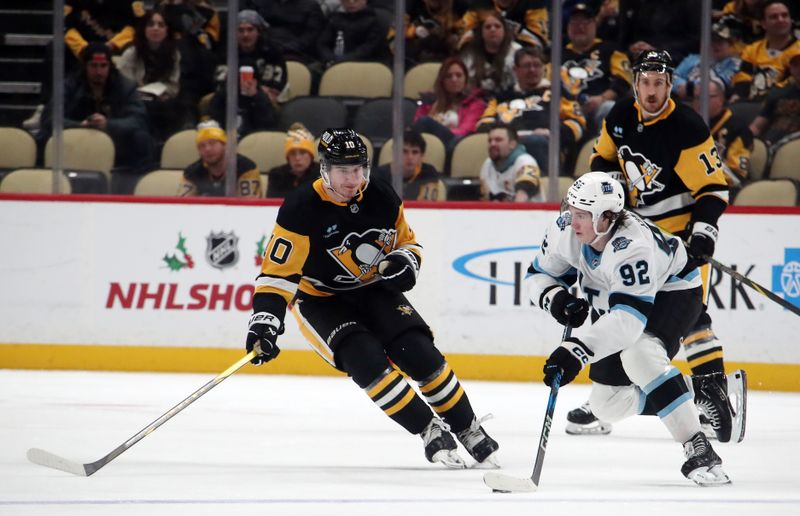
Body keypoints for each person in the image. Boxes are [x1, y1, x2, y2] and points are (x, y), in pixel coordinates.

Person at [245, 128, 499, 468]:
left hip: (374, 289)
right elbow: (277, 275)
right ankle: (427, 429)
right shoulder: (300, 209)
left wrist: (404, 264)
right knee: (364, 360)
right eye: (343, 171)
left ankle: (467, 427)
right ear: (325, 170)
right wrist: (265, 320)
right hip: (322, 300)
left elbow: (408, 244)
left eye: (358, 169)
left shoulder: (379, 193)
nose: (353, 180)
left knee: (420, 353)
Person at [526, 172, 743, 486]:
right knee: (606, 405)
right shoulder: (565, 229)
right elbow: (537, 275)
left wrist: (576, 350)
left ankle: (699, 447)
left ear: (607, 218)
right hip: (623, 303)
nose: (573, 223)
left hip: (674, 290)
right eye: (572, 211)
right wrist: (556, 298)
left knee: (639, 354)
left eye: (583, 216)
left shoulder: (632, 245)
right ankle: (702, 391)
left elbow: (628, 324)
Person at [579, 50, 745, 443]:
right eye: (645, 83)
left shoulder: (686, 127)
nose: (651, 91)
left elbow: (713, 188)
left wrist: (703, 232)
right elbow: (600, 160)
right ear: (635, 83)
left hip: (675, 241)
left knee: (688, 313)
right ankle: (605, 395)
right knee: (616, 307)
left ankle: (712, 390)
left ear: (669, 84)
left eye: (659, 83)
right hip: (631, 237)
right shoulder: (620, 116)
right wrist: (610, 190)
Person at [37, 42, 155, 193]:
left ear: (110, 66)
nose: (98, 71)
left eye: (103, 65)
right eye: (93, 65)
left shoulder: (125, 86)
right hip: (75, 141)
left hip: (116, 143)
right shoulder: (69, 85)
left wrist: (109, 125)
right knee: (43, 136)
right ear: (85, 66)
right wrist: (80, 126)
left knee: (141, 137)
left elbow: (138, 120)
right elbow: (49, 118)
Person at [477, 46, 586, 175]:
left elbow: (577, 124)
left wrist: (551, 132)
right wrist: (505, 137)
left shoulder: (558, 93)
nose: (532, 70)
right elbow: (483, 123)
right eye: (527, 66)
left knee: (536, 141)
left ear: (544, 69)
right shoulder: (502, 97)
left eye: (537, 65)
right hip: (506, 145)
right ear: (515, 70)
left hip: (543, 144)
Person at [117, 8, 189, 142]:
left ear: (167, 30)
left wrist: (165, 93)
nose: (155, 28)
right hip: (135, 100)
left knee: (177, 106)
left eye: (161, 25)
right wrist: (142, 94)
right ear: (144, 29)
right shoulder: (131, 53)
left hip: (162, 100)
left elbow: (173, 86)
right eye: (151, 24)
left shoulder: (174, 54)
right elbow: (123, 85)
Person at [209, 10, 281, 136]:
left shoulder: (272, 52)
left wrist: (256, 92)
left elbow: (274, 89)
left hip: (261, 101)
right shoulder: (225, 52)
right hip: (230, 98)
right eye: (240, 30)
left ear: (258, 31)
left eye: (250, 29)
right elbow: (219, 83)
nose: (245, 35)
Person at [562, 2, 632, 132]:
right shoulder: (557, 55)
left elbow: (623, 79)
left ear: (595, 24)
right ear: (568, 26)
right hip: (565, 109)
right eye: (575, 22)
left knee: (610, 109)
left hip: (599, 104)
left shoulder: (610, 49)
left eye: (585, 22)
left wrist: (602, 98)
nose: (580, 26)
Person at [412, 56, 487, 150]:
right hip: (427, 144)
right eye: (449, 76)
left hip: (455, 145)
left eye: (459, 75)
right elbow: (417, 124)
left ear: (466, 79)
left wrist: (438, 129)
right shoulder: (430, 101)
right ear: (442, 80)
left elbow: (466, 130)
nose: (454, 80)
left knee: (425, 121)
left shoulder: (475, 103)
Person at [732, 1, 800, 102]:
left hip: (782, 104)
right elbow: (743, 77)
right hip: (749, 104)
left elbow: (790, 85)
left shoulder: (798, 51)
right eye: (774, 17)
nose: (781, 20)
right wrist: (739, 96)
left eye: (785, 16)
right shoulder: (752, 50)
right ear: (763, 23)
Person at [695, 78, 754, 190]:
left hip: (726, 191)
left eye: (705, 98)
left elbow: (738, 175)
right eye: (697, 98)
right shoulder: (689, 126)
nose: (699, 102)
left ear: (720, 99)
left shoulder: (738, 128)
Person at [179, 122, 263, 197]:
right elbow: (182, 205)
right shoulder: (191, 173)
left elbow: (250, 206)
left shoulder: (246, 168)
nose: (207, 149)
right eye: (202, 146)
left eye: (212, 143)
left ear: (225, 146)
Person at [672, 18, 741, 102]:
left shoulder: (734, 64)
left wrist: (689, 88)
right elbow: (672, 76)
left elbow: (719, 85)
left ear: (730, 44)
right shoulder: (693, 58)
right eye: (712, 41)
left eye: (720, 41)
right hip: (683, 100)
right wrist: (680, 85)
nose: (715, 45)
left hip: (709, 103)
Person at [372, 128, 445, 201]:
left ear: (422, 156)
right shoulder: (378, 177)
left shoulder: (429, 174)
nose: (410, 157)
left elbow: (428, 208)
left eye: (415, 152)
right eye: (404, 151)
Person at [243, 0, 325, 64]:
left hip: (295, 53)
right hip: (263, 48)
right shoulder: (261, 3)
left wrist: (286, 48)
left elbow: (311, 36)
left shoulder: (311, 6)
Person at [478, 122, 542, 202]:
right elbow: (485, 199)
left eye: (498, 140)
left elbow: (521, 201)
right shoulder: (487, 164)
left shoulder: (526, 162)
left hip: (527, 213)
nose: (492, 144)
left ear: (512, 144)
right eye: (490, 140)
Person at [460, 13, 522, 94]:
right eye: (487, 27)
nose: (492, 29)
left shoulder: (517, 51)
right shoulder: (469, 54)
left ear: (504, 31)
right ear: (481, 32)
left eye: (497, 26)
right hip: (476, 100)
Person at [316, 0, 389, 68]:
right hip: (333, 62)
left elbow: (368, 48)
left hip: (364, 65)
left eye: (356, 0)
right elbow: (323, 43)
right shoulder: (335, 18)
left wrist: (342, 60)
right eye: (346, 0)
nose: (351, 2)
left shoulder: (375, 19)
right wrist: (329, 58)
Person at [748, 48, 800, 143]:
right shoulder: (778, 93)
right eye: (796, 65)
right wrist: (744, 138)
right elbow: (757, 126)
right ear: (791, 69)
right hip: (773, 145)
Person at [459, 0, 549, 50]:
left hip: (521, 54)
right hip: (484, 53)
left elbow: (539, 41)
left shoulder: (534, 2)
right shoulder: (480, 3)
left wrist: (515, 30)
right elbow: (463, 36)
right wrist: (483, 33)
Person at [266, 123, 320, 198]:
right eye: (293, 153)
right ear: (288, 157)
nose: (297, 158)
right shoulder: (277, 175)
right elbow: (271, 205)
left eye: (302, 153)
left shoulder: (322, 175)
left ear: (311, 156)